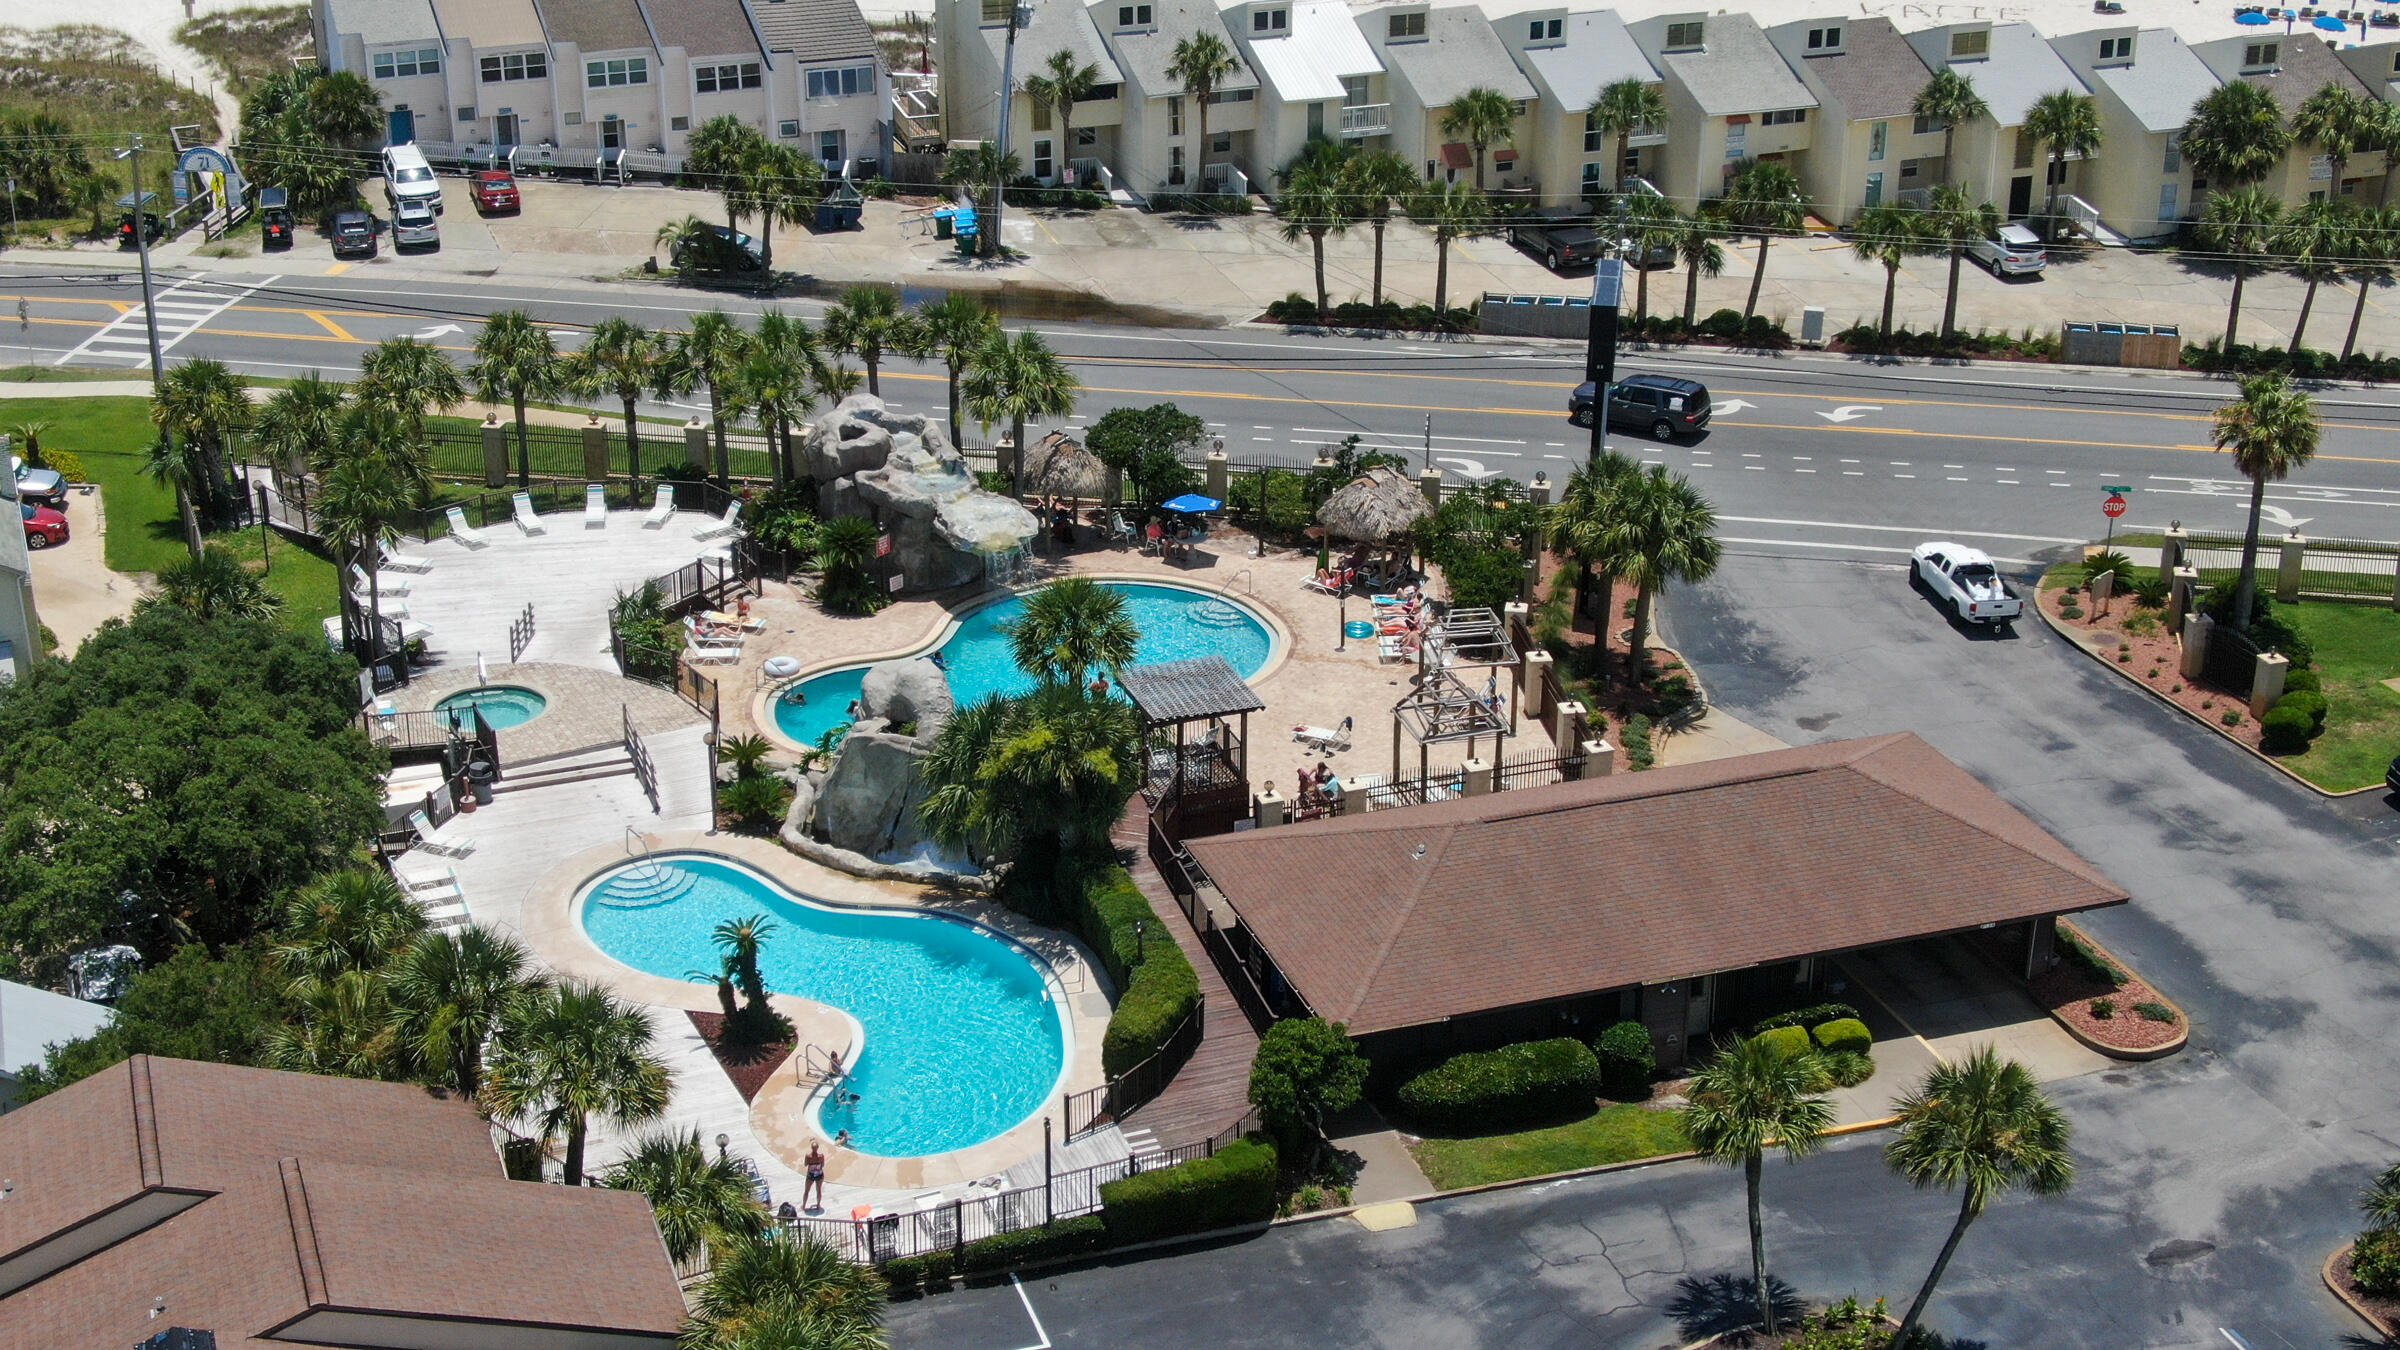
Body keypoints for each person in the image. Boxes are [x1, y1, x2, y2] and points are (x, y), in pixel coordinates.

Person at [802, 1140, 828, 1210]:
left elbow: (805, 1164)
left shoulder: (808, 1156)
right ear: (817, 1148)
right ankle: (818, 1205)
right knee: (819, 1190)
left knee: (807, 1191)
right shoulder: (821, 1156)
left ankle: (804, 1206)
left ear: (811, 1148)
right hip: (819, 1174)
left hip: (811, 1175)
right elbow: (822, 1165)